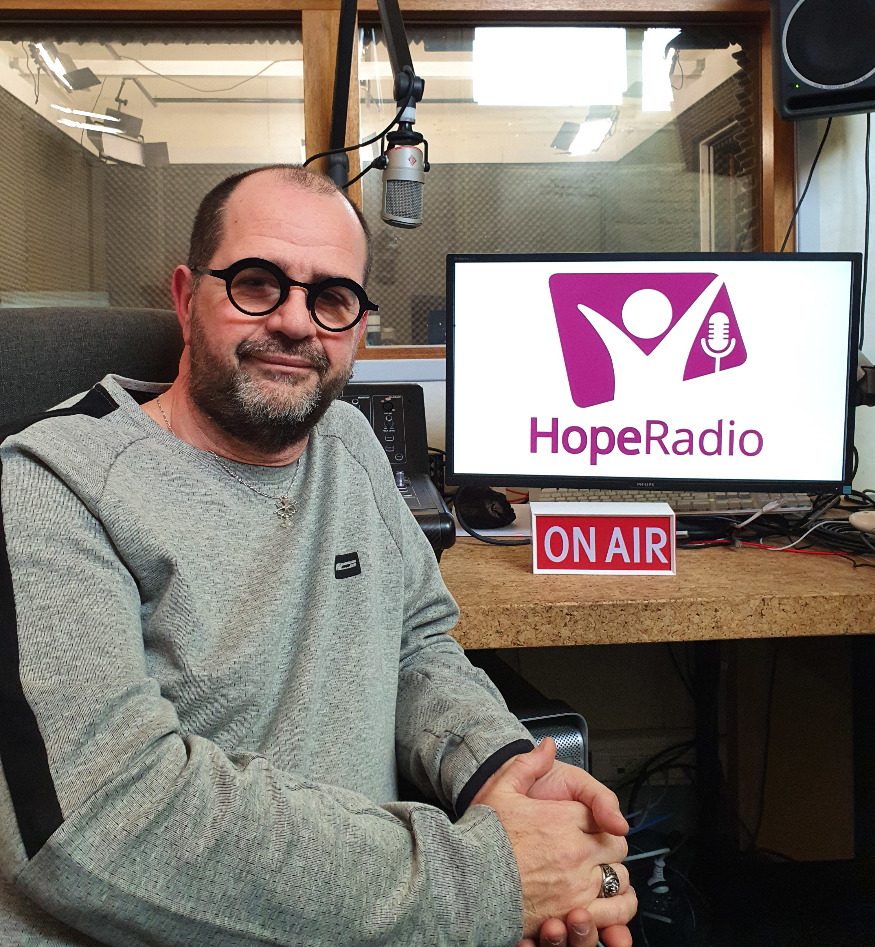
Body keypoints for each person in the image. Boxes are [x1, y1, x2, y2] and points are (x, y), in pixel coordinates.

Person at [0, 165, 637, 947]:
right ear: (185, 296)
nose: (296, 322)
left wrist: (505, 773)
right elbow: (102, 820)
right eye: (257, 283)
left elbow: (414, 644)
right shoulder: (53, 481)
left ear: (358, 325)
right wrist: (491, 878)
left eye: (331, 297)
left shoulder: (347, 442)